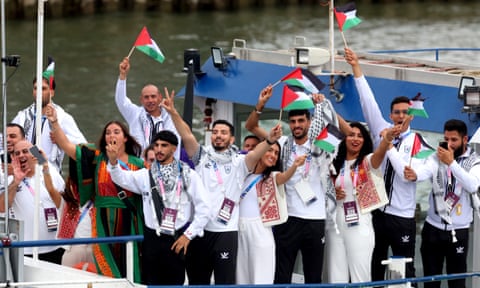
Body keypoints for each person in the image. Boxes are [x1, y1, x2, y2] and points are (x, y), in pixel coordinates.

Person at [161, 89, 283, 284]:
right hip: (200, 230)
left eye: (224, 133)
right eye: (215, 132)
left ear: (232, 139)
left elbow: (255, 154)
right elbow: (187, 136)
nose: (219, 136)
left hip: (226, 233)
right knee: (197, 281)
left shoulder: (240, 162)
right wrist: (173, 112)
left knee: (225, 282)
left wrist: (269, 140)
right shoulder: (201, 157)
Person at [345, 47, 433, 282]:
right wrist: (356, 66)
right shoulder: (379, 128)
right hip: (378, 211)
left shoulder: (419, 143)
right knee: (374, 265)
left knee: (405, 268)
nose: (401, 116)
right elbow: (367, 99)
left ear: (411, 115)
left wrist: (390, 145)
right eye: (396, 112)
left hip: (402, 216)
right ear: (391, 114)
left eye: (405, 112)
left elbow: (413, 174)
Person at [245, 85, 339, 284]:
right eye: (293, 121)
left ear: (309, 122)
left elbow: (333, 129)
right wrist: (261, 104)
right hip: (288, 218)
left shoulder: (321, 145)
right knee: (282, 275)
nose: (297, 125)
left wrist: (320, 105)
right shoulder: (283, 144)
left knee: (313, 276)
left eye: (301, 121)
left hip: (315, 219)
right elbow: (251, 126)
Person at [45, 103, 144, 283]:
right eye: (108, 132)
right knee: (105, 259)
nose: (111, 135)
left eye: (116, 132)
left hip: (128, 217)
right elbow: (67, 145)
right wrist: (55, 123)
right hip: (102, 217)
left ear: (126, 138)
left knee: (128, 257)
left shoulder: (138, 163)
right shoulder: (97, 157)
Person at [106, 130, 210, 285]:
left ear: (174, 149)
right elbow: (121, 178)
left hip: (177, 238)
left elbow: (205, 209)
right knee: (151, 283)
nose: (159, 149)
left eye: (164, 145)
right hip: (152, 239)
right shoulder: (145, 175)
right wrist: (113, 162)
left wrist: (188, 235)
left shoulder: (188, 175)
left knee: (175, 283)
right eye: (156, 145)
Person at [327, 122, 396, 283]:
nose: (355, 139)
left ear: (365, 141)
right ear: (344, 139)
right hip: (335, 223)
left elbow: (379, 154)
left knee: (360, 277)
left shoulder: (367, 161)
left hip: (359, 222)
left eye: (360, 136)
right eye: (351, 135)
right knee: (336, 277)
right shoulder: (334, 163)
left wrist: (387, 139)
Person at [237, 138, 306, 284]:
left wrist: (294, 166)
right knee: (241, 278)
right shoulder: (242, 174)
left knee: (261, 277)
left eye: (276, 153)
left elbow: (284, 177)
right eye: (270, 150)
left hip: (260, 230)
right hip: (238, 229)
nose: (273, 155)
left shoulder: (273, 177)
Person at [421, 119, 480, 288]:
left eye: (454, 140)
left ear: (465, 140)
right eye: (446, 139)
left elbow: (473, 185)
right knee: (430, 282)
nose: (449, 144)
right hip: (432, 228)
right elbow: (422, 173)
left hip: (459, 231)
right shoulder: (435, 156)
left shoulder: (475, 161)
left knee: (457, 283)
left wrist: (451, 163)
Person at [0, 140, 65, 264]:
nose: (21, 155)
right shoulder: (10, 180)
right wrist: (16, 181)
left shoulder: (49, 172)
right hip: (26, 249)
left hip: (55, 245)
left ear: (34, 154)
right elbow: (2, 207)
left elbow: (64, 202)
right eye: (17, 153)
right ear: (13, 157)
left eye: (25, 151)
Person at [12, 77, 86, 172]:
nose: (39, 92)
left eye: (43, 88)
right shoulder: (22, 117)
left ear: (52, 93)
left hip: (51, 176)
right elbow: (4, 141)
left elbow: (84, 149)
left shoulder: (63, 117)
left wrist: (61, 138)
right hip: (24, 176)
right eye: (36, 88)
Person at [115, 57, 180, 158]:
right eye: (146, 97)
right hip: (140, 165)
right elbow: (121, 100)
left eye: (153, 96)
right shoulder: (134, 114)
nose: (150, 100)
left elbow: (176, 143)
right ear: (141, 100)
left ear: (160, 97)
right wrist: (123, 75)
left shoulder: (170, 117)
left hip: (164, 166)